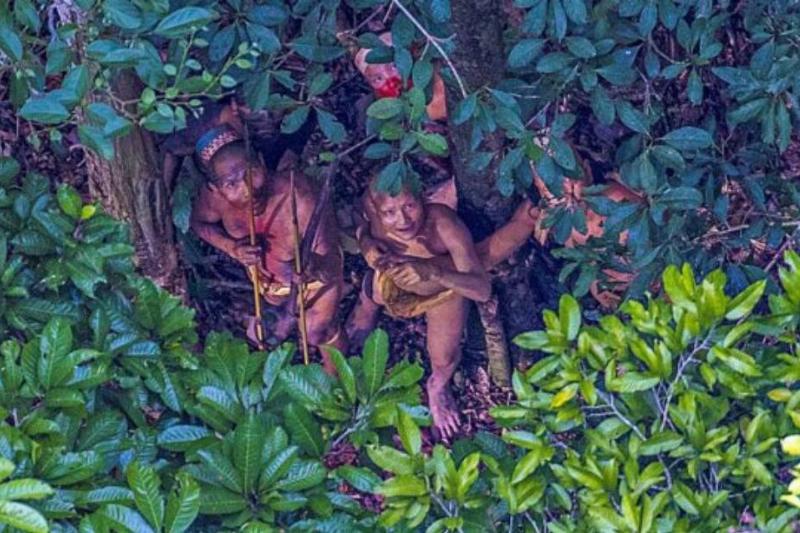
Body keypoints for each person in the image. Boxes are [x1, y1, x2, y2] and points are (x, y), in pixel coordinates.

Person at [346, 178, 538, 439]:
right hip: (392, 278)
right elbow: (360, 220)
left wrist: (434, 272)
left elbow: (482, 290)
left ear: (423, 197)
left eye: (409, 206)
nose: (402, 220)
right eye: (389, 212)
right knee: (375, 294)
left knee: (443, 358)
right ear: (377, 209)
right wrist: (366, 243)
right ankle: (367, 309)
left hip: (442, 290)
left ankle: (437, 387)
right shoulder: (373, 207)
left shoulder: (443, 224)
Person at [190, 125, 346, 371]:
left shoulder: (299, 196)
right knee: (262, 335)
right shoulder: (214, 201)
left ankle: (337, 384)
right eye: (231, 183)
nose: (247, 189)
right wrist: (231, 248)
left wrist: (312, 268)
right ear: (216, 189)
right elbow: (199, 224)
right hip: (268, 285)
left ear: (262, 162)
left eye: (251, 172)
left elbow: (330, 263)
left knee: (316, 332)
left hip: (314, 281)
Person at [353, 32, 447, 122]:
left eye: (393, 66)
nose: (390, 82)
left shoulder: (440, 77)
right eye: (378, 79)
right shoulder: (390, 113)